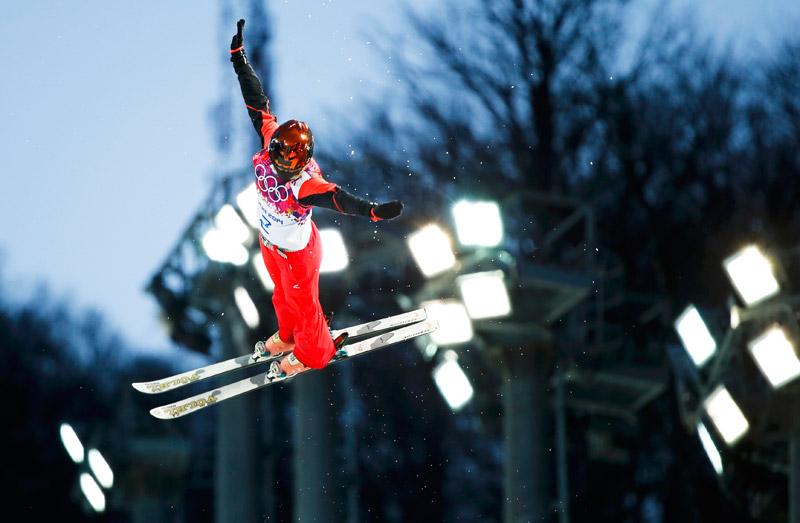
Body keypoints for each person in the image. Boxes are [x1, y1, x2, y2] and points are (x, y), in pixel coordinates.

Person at [229, 19, 404, 377]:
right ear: (274, 147)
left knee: (304, 305)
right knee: (280, 293)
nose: (283, 167)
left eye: (292, 163)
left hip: (298, 254)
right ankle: (290, 335)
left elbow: (340, 199)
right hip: (270, 241)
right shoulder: (269, 141)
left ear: (304, 160)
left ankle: (314, 352)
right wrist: (239, 59)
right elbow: (256, 102)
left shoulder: (305, 184)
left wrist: (374, 211)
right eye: (280, 158)